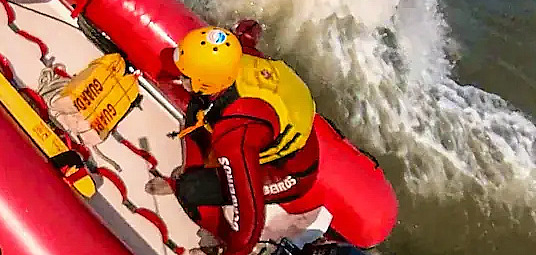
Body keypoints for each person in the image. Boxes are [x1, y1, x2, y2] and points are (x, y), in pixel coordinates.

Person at [147, 21, 397, 255]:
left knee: (191, 190)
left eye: (186, 74)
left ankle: (218, 240)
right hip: (276, 134)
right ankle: (191, 176)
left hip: (289, 172)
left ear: (204, 79)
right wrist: (248, 29)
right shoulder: (238, 58)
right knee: (196, 112)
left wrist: (235, 250)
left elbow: (250, 220)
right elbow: (246, 35)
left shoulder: (237, 135)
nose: (180, 75)